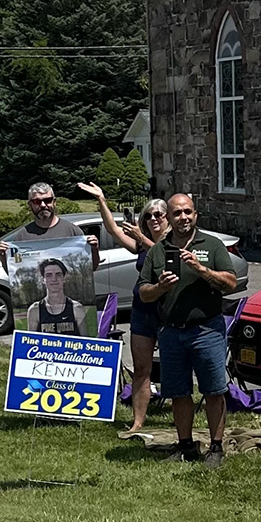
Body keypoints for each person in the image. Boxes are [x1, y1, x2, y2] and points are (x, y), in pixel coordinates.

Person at [139, 194, 237, 468]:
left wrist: (201, 269)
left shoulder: (212, 245)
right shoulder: (159, 251)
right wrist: (160, 288)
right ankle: (186, 447)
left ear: (196, 215)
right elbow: (144, 293)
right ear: (168, 218)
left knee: (213, 390)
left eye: (188, 212)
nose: (183, 217)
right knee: (178, 392)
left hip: (206, 330)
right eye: (177, 213)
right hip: (171, 332)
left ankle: (216, 448)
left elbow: (230, 282)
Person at [77, 181, 169, 432]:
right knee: (141, 369)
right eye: (148, 216)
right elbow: (114, 230)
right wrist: (102, 201)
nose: (153, 219)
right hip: (142, 312)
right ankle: (137, 422)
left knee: (176, 367)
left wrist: (141, 238)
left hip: (170, 313)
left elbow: (167, 257)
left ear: (167, 217)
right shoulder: (141, 243)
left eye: (158, 214)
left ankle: (182, 418)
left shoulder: (174, 241)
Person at [0, 182, 100, 271]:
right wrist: (3, 257)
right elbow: (16, 275)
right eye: (37, 201)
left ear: (54, 202)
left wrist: (94, 249)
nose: (43, 205)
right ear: (30, 205)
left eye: (47, 200)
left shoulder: (73, 232)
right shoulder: (22, 236)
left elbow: (90, 269)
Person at [26, 258, 88, 335]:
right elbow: (30, 343)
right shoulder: (35, 310)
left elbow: (86, 343)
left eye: (58, 275)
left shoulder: (77, 308)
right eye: (49, 275)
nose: (54, 279)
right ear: (43, 280)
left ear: (64, 278)